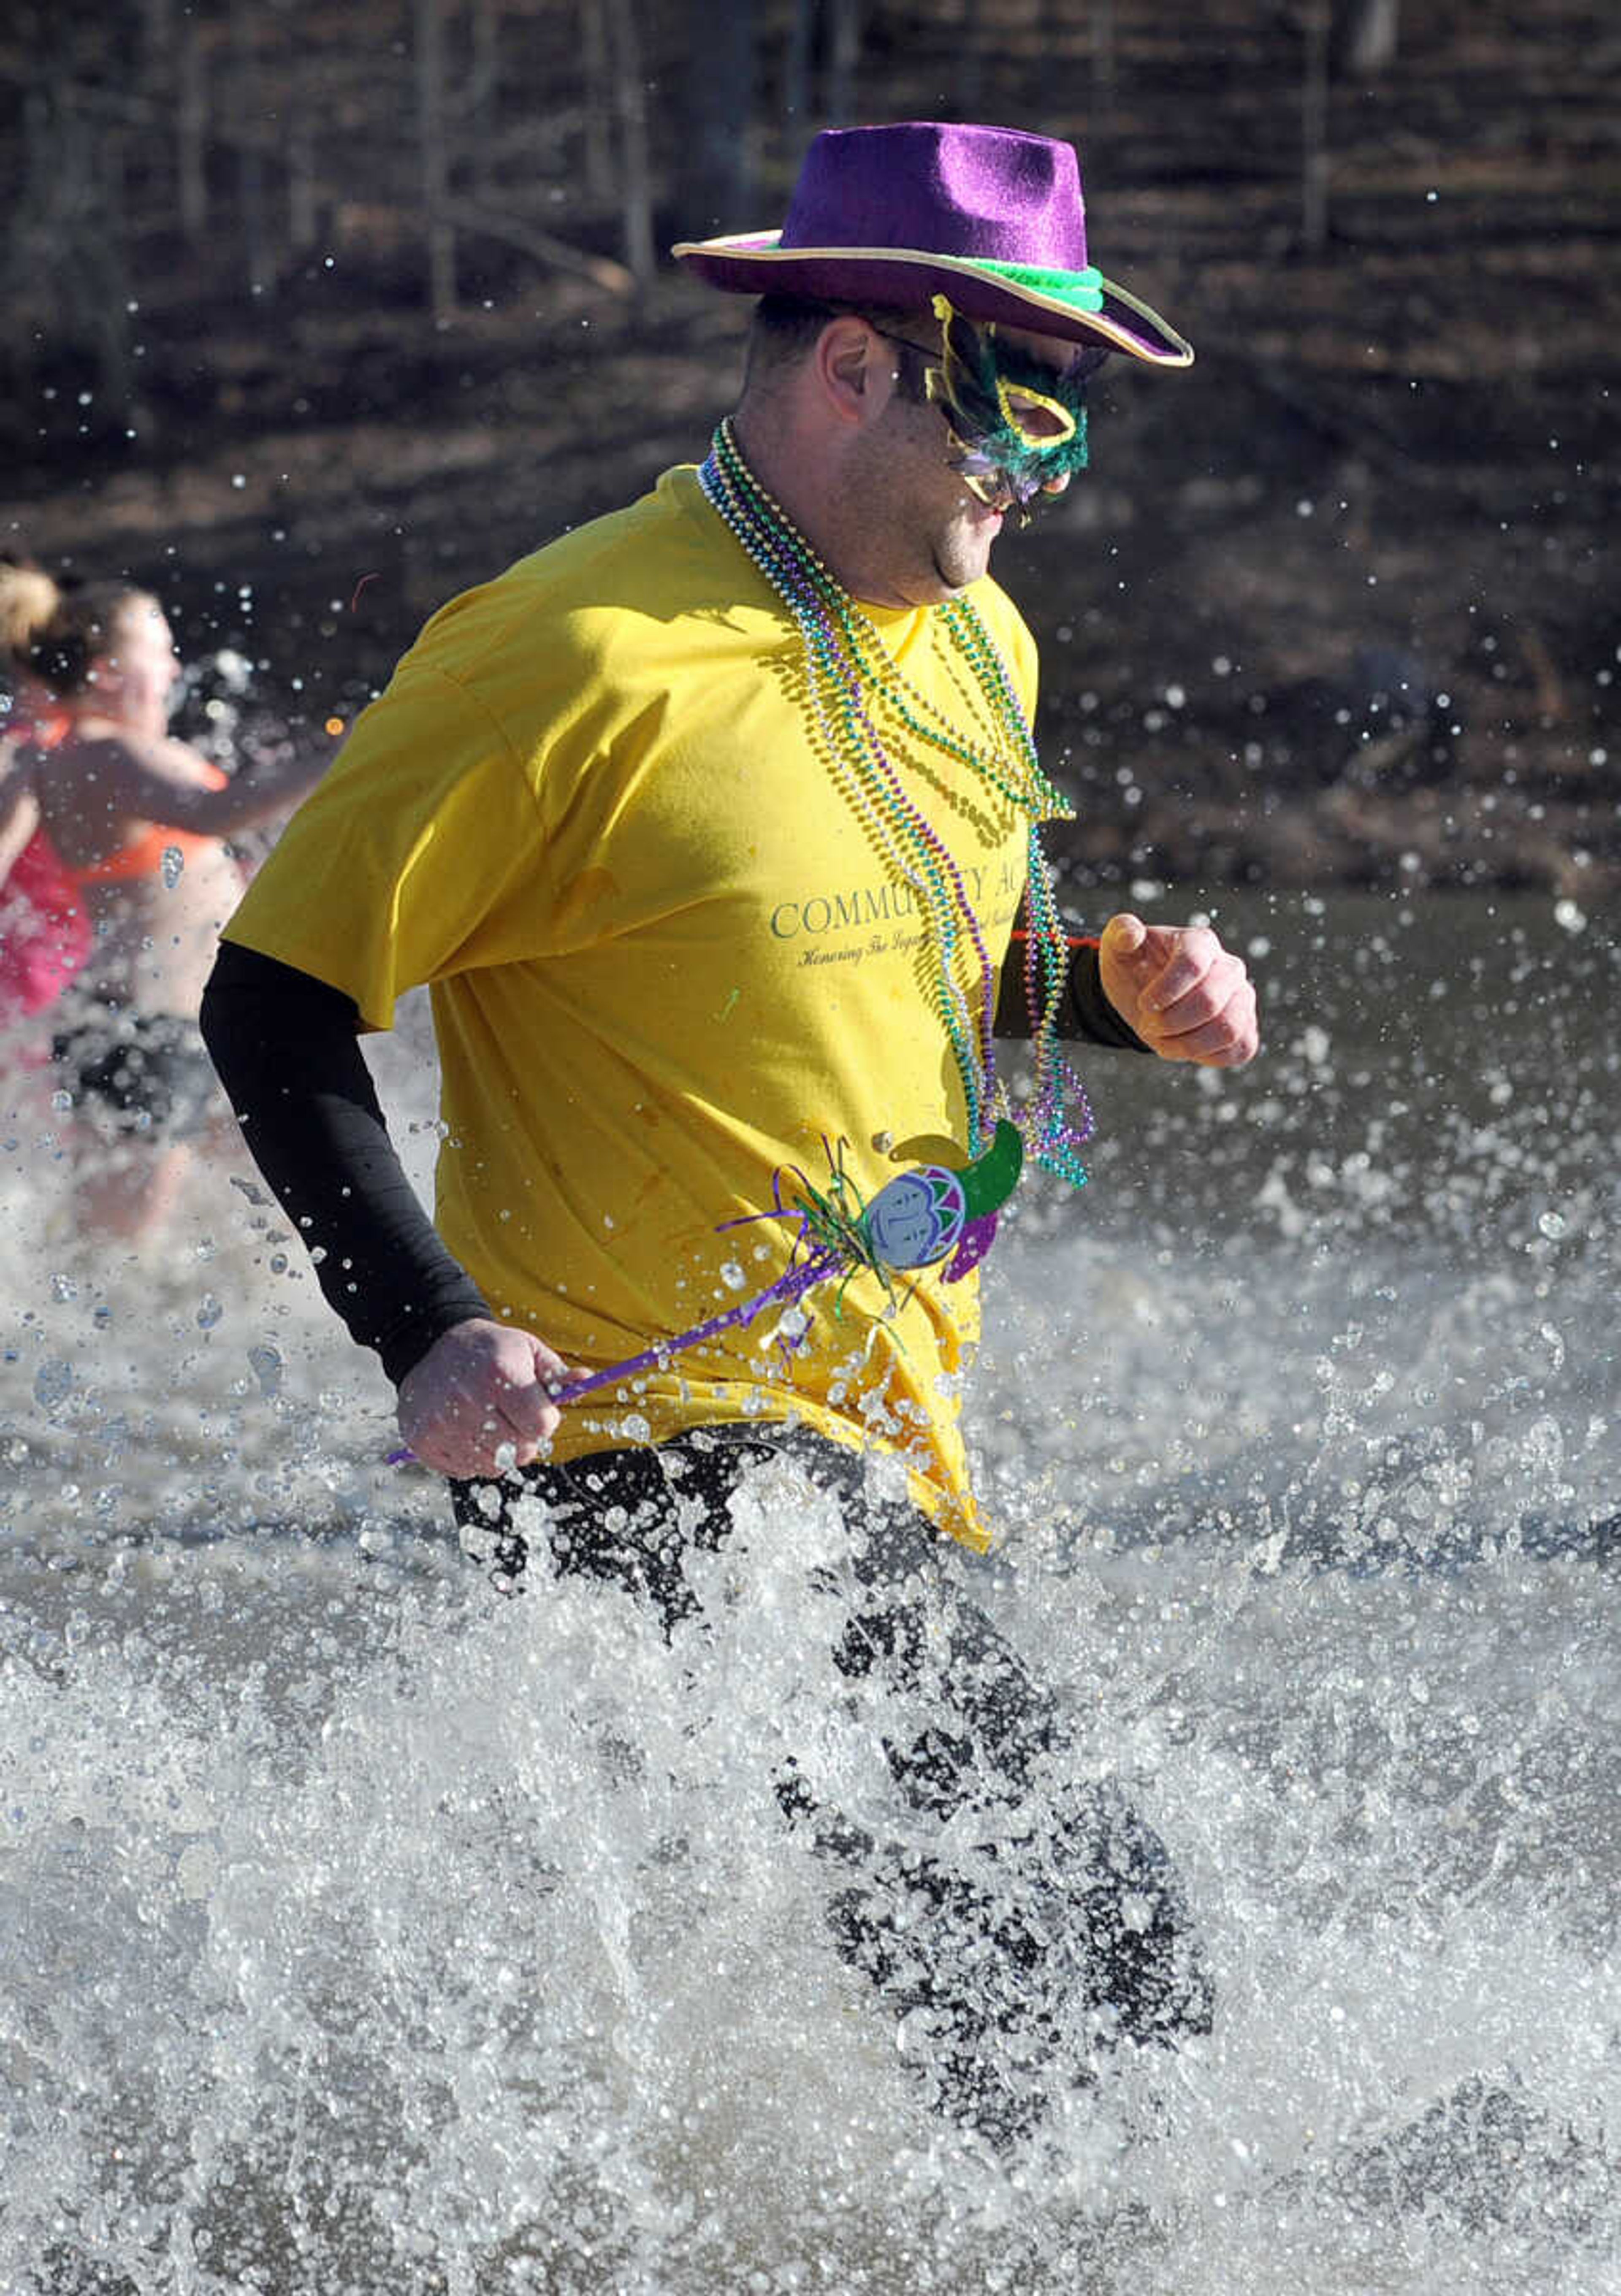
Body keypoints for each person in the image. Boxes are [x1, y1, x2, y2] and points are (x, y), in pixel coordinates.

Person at [201, 121, 1259, 2144]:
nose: (1037, 483)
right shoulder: (558, 652)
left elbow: (938, 955)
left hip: (874, 1431)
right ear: (856, 364)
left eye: (1071, 439)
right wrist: (418, 1318)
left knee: (1027, 2002)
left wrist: (1111, 990)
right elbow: (275, 993)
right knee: (1106, 1959)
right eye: (1018, 420)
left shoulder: (972, 635)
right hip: (640, 1451)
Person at [9, 573, 325, 1238]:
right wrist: (345, 752)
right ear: (105, 673)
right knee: (123, 1252)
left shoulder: (64, 759)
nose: (177, 669)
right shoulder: (108, 752)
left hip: (159, 1026)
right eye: (162, 654)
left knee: (242, 1213)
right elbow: (219, 812)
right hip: (155, 1033)